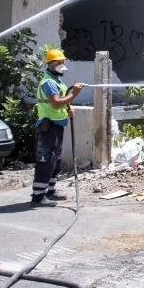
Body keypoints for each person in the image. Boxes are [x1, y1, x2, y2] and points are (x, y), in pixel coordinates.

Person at [32, 48, 84, 206]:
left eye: (63, 62)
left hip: (57, 126)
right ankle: (38, 196)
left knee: (56, 161)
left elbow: (61, 101)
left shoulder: (56, 81)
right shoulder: (48, 82)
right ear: (51, 63)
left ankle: (50, 191)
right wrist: (74, 94)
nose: (62, 65)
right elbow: (55, 103)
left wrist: (68, 108)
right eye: (59, 62)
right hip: (49, 126)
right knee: (46, 160)